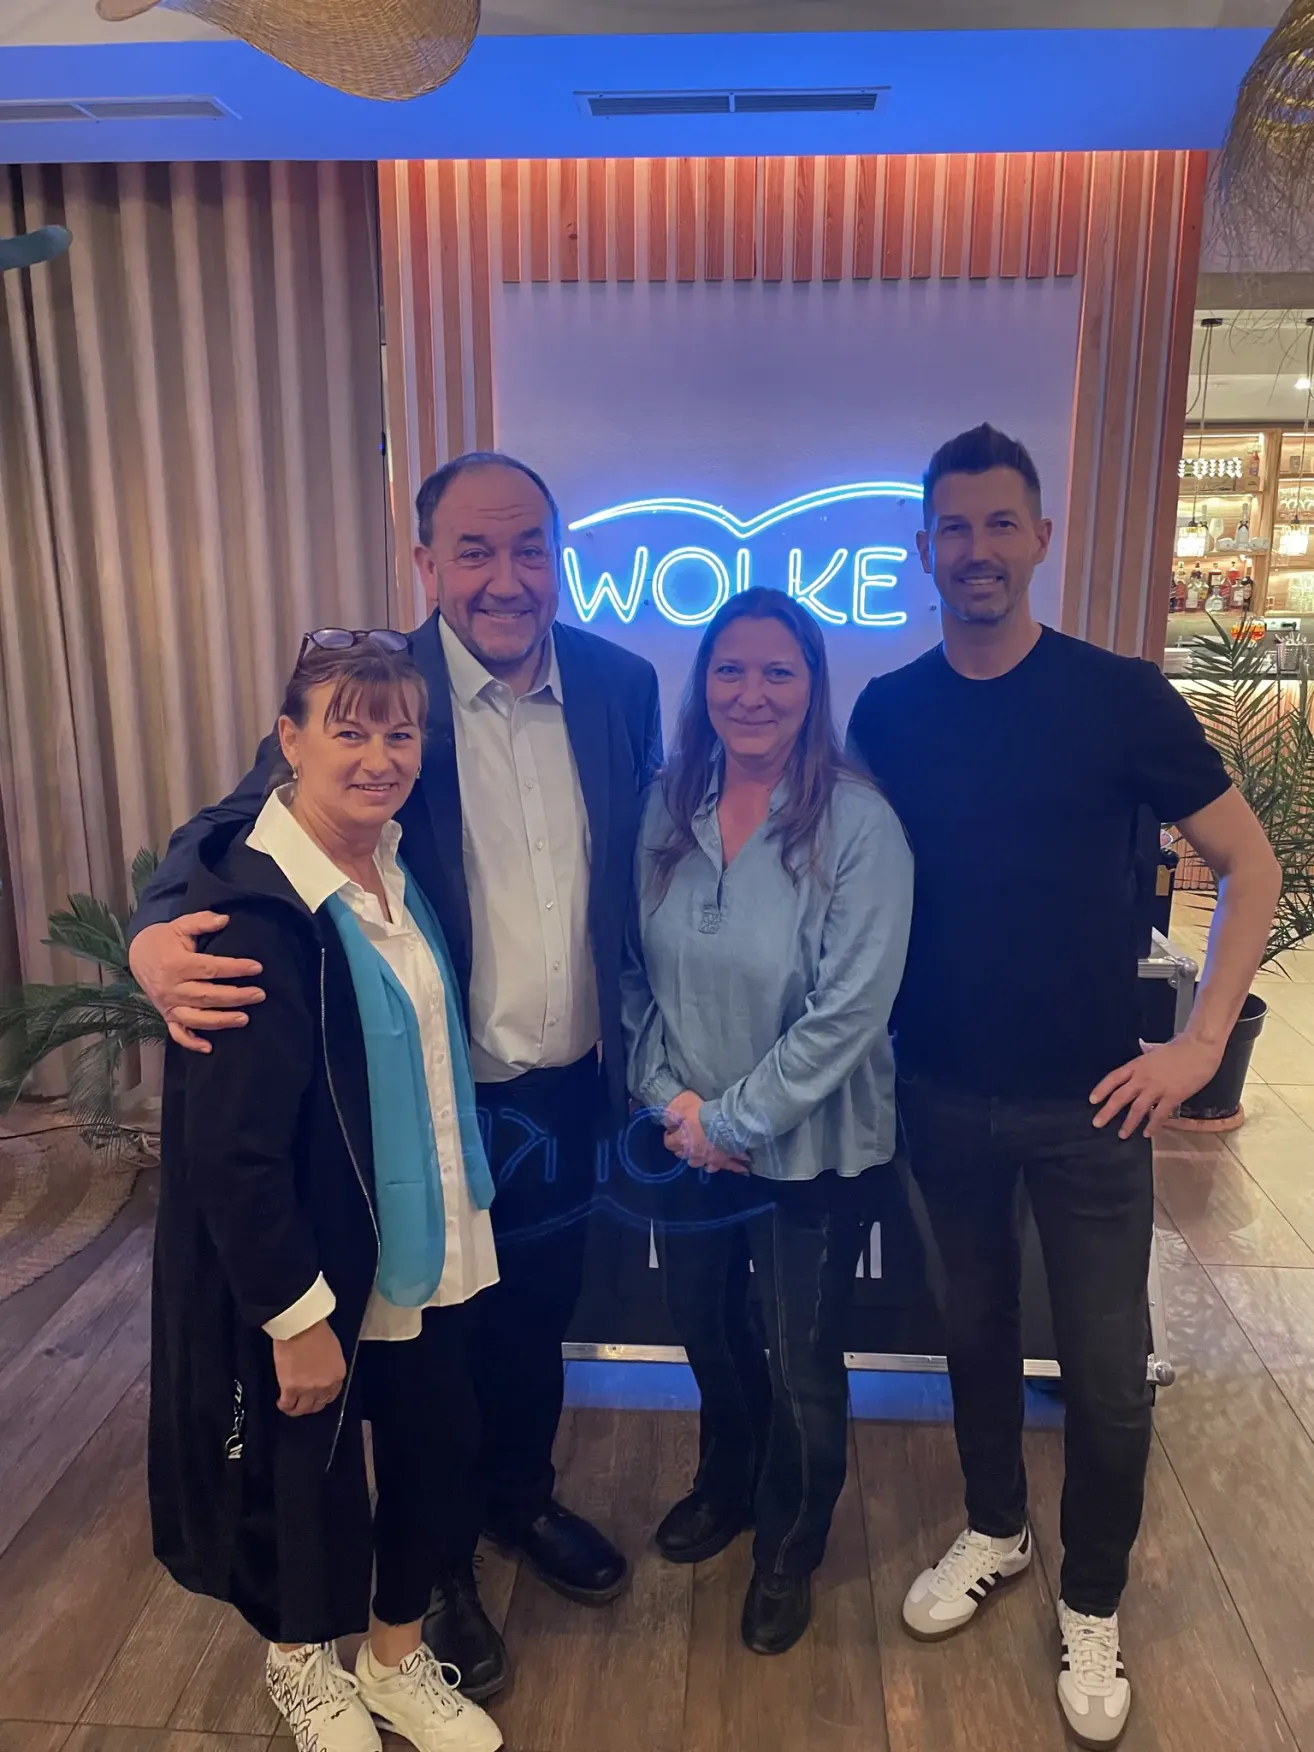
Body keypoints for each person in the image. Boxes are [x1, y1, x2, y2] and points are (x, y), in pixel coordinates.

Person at [131, 454, 662, 1697]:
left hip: (570, 1087)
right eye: (472, 550)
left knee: (536, 1318)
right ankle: (435, 1573)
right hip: (428, 1105)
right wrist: (157, 930)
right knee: (429, 1353)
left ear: (556, 554)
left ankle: (519, 1499)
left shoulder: (621, 684)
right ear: (425, 563)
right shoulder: (386, 692)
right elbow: (226, 826)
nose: (505, 577)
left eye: (527, 547)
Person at [846, 425, 1280, 1747]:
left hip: (1096, 1106)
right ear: (923, 550)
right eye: (953, 528)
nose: (976, 549)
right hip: (939, 1093)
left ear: (1040, 538)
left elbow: (1249, 865)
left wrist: (1198, 1046)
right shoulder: (887, 714)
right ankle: (995, 1529)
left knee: (1103, 1372)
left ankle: (1091, 1597)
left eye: (999, 524)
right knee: (972, 1338)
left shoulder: (1119, 697)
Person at [150, 634, 502, 1752]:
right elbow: (230, 1150)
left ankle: (393, 1662)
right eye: (347, 731)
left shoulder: (395, 863)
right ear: (288, 742)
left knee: (435, 1449)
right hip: (321, 1257)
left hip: (431, 1232)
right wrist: (294, 1316)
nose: (378, 756)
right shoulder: (257, 909)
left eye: (399, 732)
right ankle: (302, 1664)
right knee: (306, 1478)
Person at [623, 588, 913, 1657]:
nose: (752, 692)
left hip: (808, 1150)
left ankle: (790, 1546)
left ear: (812, 686)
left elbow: (851, 1011)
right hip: (685, 1137)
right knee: (705, 1326)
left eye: (778, 671)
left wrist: (734, 1123)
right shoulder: (666, 806)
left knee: (801, 1362)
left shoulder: (862, 825)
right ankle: (728, 1481)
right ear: (703, 682)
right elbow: (631, 971)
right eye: (731, 669)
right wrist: (672, 1103)